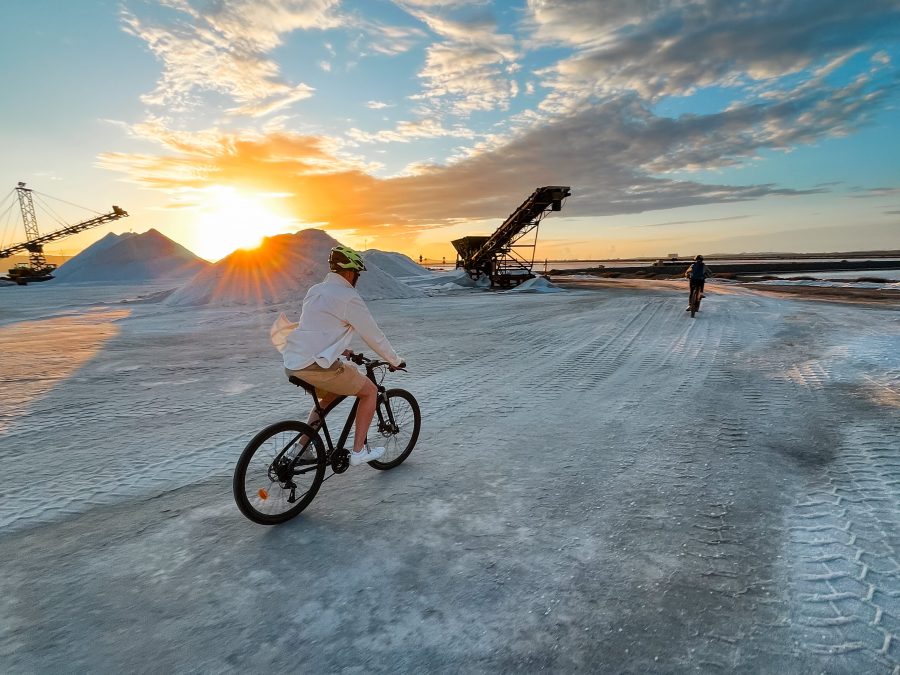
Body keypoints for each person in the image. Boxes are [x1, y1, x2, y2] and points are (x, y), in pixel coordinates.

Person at [271, 245, 405, 466]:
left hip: (294, 361)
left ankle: (301, 448)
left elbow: (316, 329)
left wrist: (344, 350)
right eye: (357, 275)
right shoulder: (348, 297)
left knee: (329, 397)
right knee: (370, 392)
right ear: (350, 272)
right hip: (314, 365)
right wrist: (395, 360)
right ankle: (359, 452)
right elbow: (373, 334)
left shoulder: (315, 290)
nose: (357, 279)